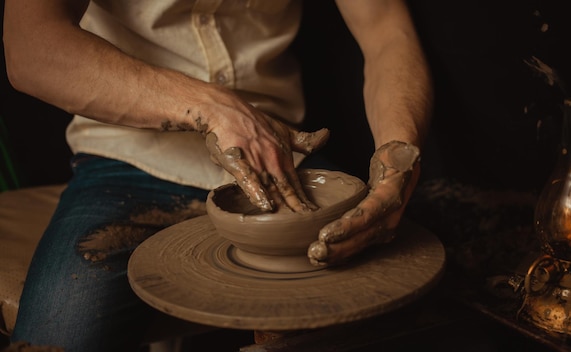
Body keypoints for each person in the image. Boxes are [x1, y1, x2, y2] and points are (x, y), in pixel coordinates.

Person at [3, 0, 432, 350]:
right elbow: (32, 47)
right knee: (60, 338)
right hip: (127, 159)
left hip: (280, 157)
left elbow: (386, 33)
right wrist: (214, 108)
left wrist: (399, 150)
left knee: (406, 314)